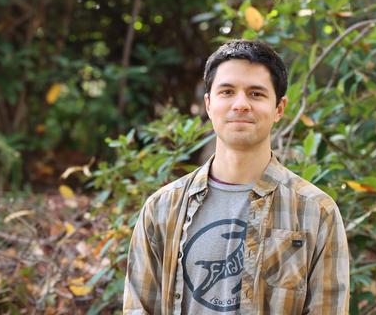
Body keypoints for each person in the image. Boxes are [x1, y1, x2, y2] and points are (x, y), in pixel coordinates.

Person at [123, 39, 349, 314]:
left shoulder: (316, 212)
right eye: (227, 91)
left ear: (279, 108)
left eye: (256, 94)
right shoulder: (161, 209)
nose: (240, 104)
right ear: (208, 104)